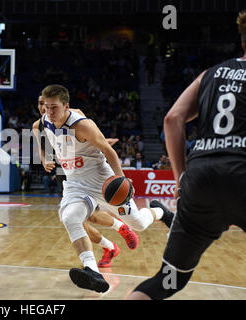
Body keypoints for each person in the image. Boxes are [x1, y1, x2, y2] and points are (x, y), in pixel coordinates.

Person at [127, 11, 246, 300]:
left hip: (199, 179)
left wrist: (181, 178)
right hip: (241, 173)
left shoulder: (210, 74)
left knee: (167, 281)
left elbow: (172, 119)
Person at [39, 84, 174, 293]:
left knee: (138, 223)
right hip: (75, 183)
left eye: (53, 107)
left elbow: (110, 153)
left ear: (67, 107)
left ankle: (159, 211)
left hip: (102, 182)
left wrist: (121, 179)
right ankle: (92, 271)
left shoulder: (82, 125)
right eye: (46, 106)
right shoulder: (46, 119)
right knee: (70, 218)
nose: (49, 111)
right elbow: (42, 131)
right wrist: (45, 156)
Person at [32, 93, 141, 270]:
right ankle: (110, 247)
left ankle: (119, 228)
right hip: (66, 172)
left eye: (48, 104)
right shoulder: (39, 125)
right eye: (41, 104)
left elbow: (90, 133)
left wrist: (102, 143)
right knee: (80, 220)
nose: (44, 107)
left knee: (88, 216)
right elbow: (41, 147)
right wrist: (44, 160)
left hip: (88, 171)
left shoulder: (74, 115)